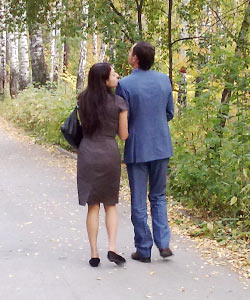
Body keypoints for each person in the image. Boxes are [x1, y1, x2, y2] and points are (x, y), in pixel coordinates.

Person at [116, 41, 174, 263]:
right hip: (161, 145)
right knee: (159, 196)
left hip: (138, 148)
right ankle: (164, 242)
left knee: (139, 200)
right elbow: (169, 112)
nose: (128, 53)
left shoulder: (125, 84)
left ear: (135, 59)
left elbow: (124, 118)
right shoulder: (163, 80)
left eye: (130, 51)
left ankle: (143, 248)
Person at [77, 63, 128, 267]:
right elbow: (123, 135)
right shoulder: (119, 103)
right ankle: (112, 247)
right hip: (108, 153)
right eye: (114, 74)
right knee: (110, 204)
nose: (117, 76)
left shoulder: (82, 100)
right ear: (105, 80)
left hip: (87, 152)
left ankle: (94, 253)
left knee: (92, 206)